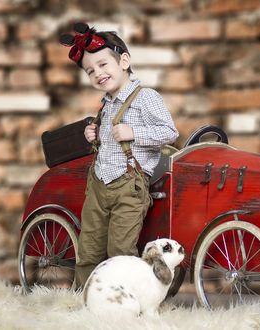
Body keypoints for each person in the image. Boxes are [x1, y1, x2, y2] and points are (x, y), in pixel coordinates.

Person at [59, 23, 179, 288]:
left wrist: (133, 132)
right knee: (88, 249)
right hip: (99, 183)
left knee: (120, 250)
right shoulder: (107, 103)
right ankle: (86, 300)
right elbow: (112, 140)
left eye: (103, 65)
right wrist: (96, 135)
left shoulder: (145, 97)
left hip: (129, 186)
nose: (98, 73)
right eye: (91, 71)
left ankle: (123, 300)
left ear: (124, 61)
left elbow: (169, 132)